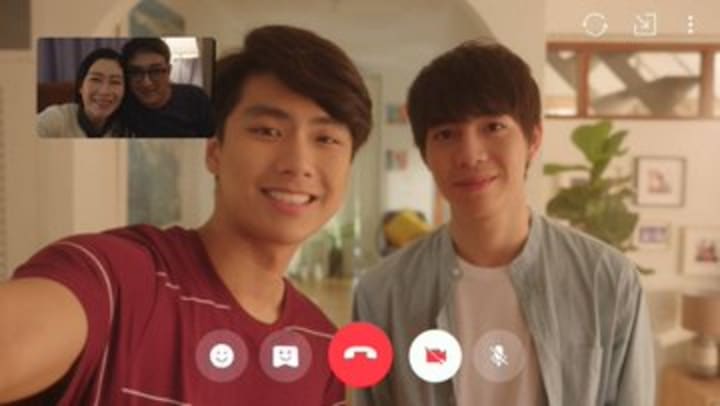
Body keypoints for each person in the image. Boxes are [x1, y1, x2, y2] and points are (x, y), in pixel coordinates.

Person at [0, 25, 371, 405]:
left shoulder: (322, 346)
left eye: (326, 139)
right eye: (267, 131)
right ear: (215, 151)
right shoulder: (118, 281)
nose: (298, 163)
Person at [353, 41, 654, 406]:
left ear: (533, 140)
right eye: (446, 134)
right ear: (426, 155)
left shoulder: (607, 280)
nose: (469, 155)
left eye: (493, 127)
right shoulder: (381, 294)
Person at [122, 37, 214, 137]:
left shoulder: (195, 98)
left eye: (156, 71)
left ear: (169, 71)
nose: (146, 83)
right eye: (136, 72)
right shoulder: (123, 105)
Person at [37, 48, 130, 138]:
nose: (104, 91)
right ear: (80, 86)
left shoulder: (126, 129)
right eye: (96, 79)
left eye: (115, 82)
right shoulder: (56, 119)